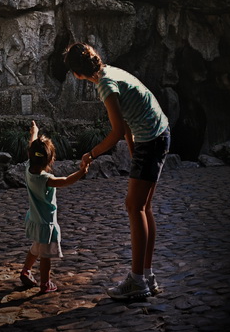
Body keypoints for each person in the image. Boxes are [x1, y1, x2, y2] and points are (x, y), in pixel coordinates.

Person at [63, 42, 170, 300]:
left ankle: (137, 281)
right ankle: (147, 275)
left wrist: (91, 154)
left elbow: (117, 132)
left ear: (77, 75)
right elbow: (129, 120)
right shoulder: (111, 72)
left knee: (135, 207)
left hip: (152, 139)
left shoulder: (105, 85)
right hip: (159, 133)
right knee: (143, 207)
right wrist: (133, 153)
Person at [20, 120, 89, 294]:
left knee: (35, 248)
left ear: (31, 155)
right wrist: (81, 172)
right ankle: (45, 283)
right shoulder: (46, 179)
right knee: (45, 255)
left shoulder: (28, 168)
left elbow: (33, 145)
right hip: (46, 223)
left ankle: (26, 270)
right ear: (50, 159)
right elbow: (66, 181)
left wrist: (34, 132)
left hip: (35, 219)